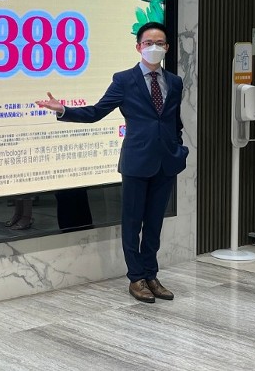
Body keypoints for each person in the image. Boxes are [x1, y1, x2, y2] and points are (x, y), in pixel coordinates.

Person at [35, 21, 188, 304]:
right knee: (132, 222)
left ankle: (151, 274)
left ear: (167, 47)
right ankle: (136, 277)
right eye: (148, 43)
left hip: (166, 162)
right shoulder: (124, 80)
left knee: (154, 224)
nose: (154, 48)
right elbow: (96, 112)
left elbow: (174, 121)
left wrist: (178, 149)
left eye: (159, 43)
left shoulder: (174, 82)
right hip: (136, 161)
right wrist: (63, 110)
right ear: (138, 47)